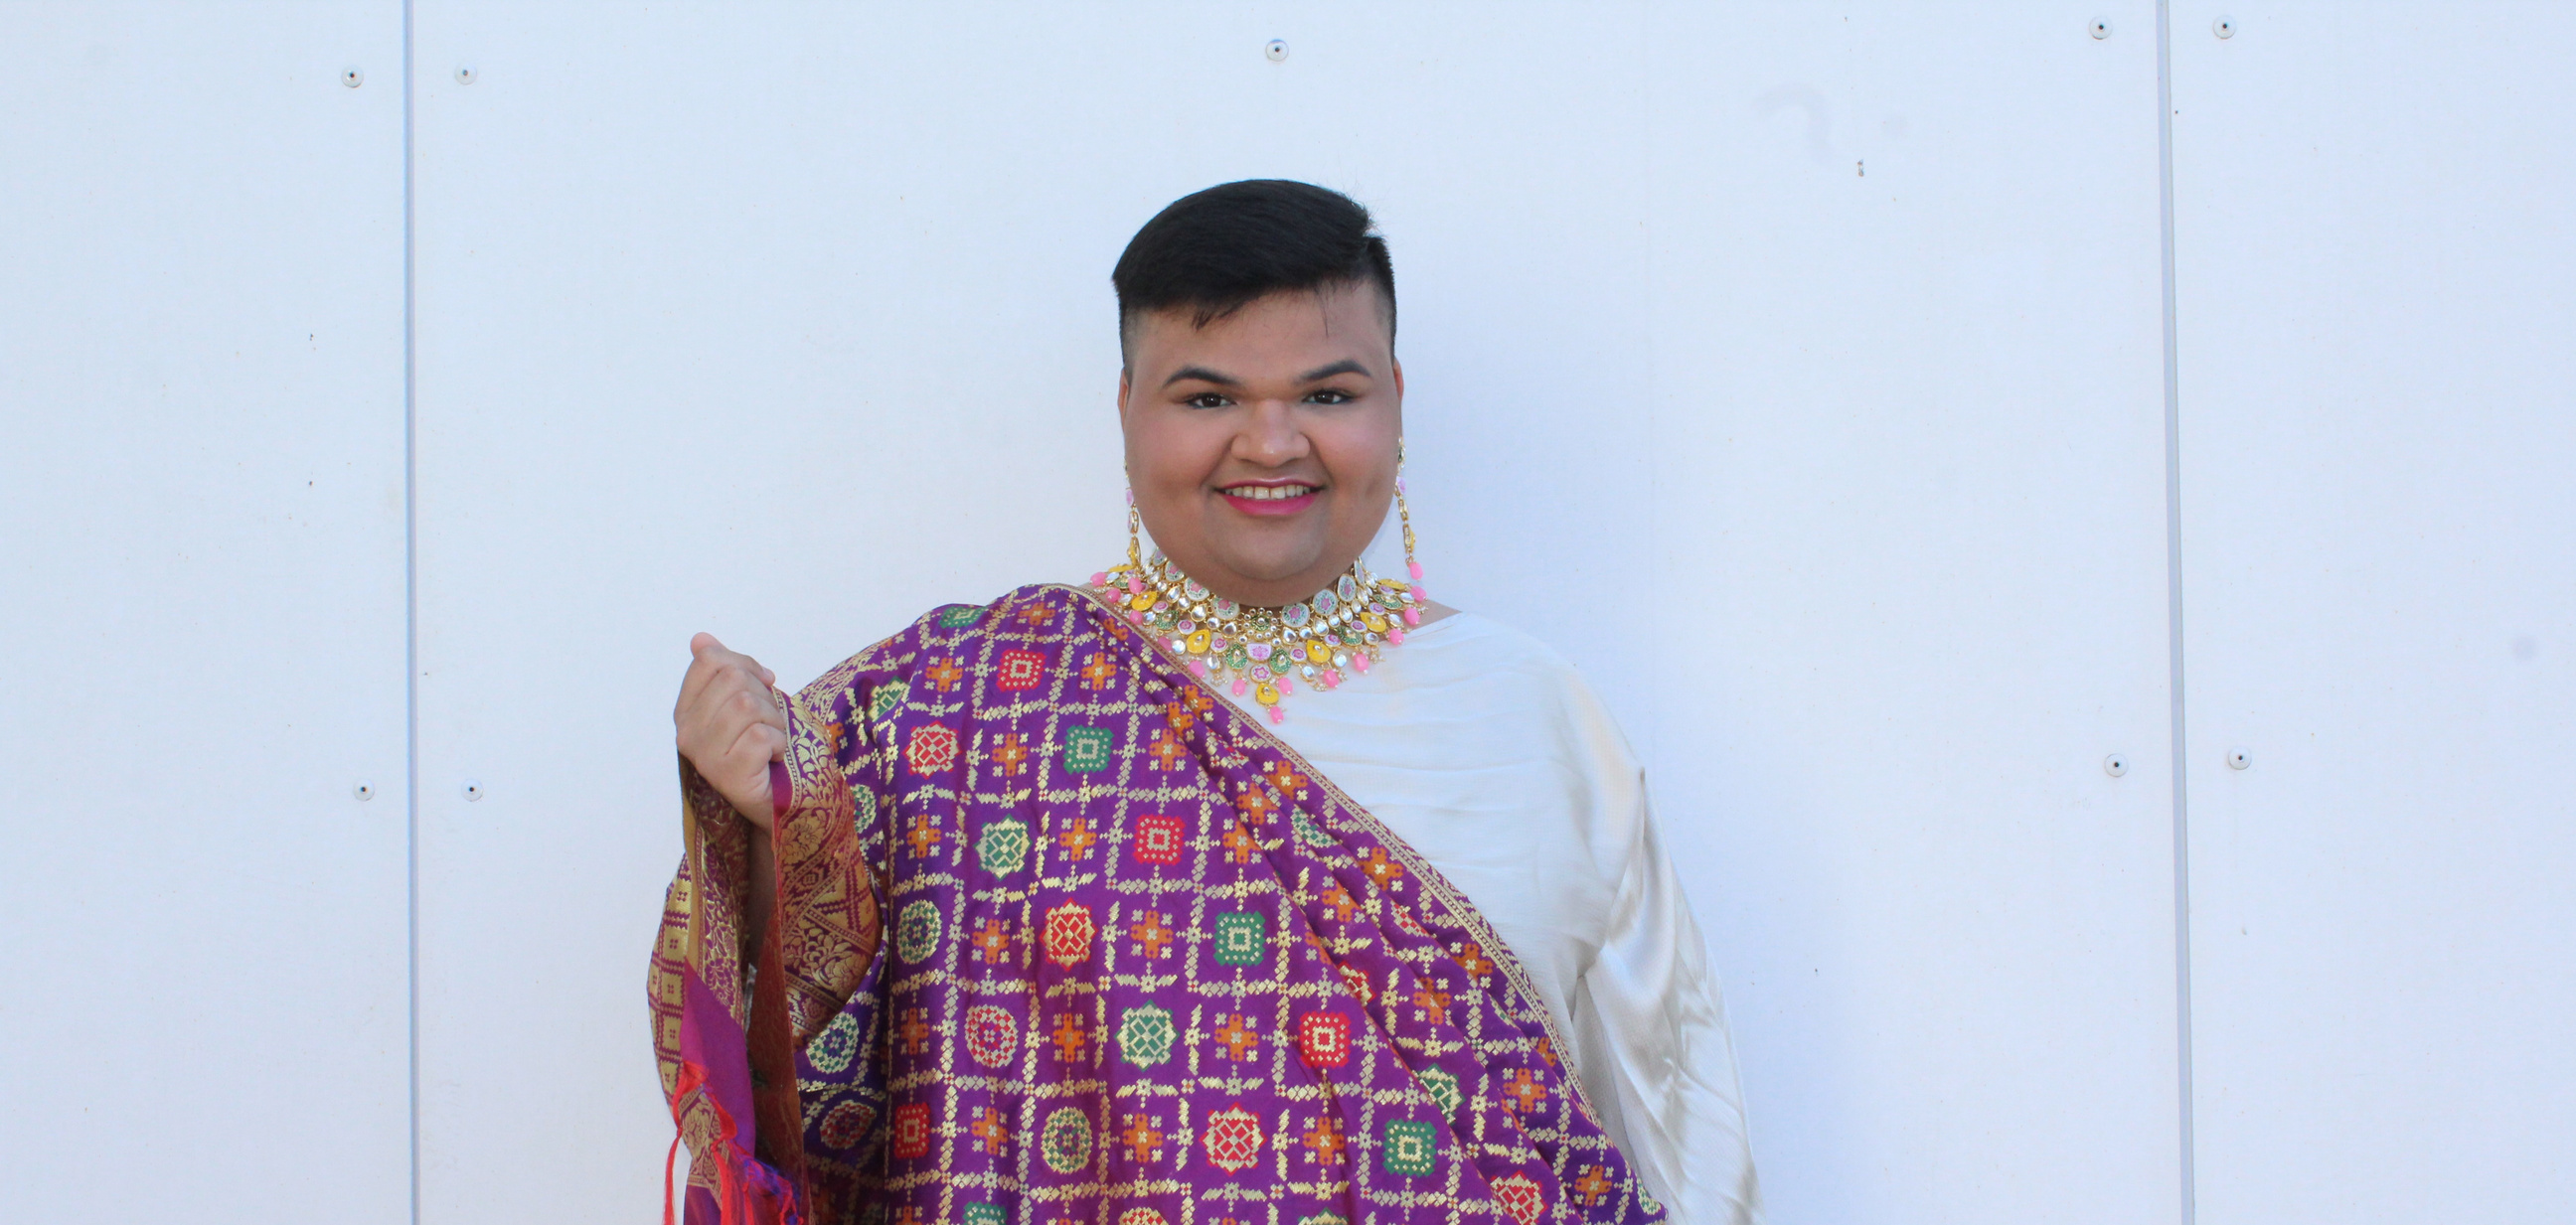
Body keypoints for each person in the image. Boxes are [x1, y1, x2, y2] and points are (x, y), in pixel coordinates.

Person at [649, 180, 1761, 1225]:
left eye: (1327, 394)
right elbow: (803, 1062)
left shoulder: (1536, 716)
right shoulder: (960, 706)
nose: (1271, 443)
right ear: (1128, 408)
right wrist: (762, 823)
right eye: (1208, 397)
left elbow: (1676, 1106)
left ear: (1395, 400)